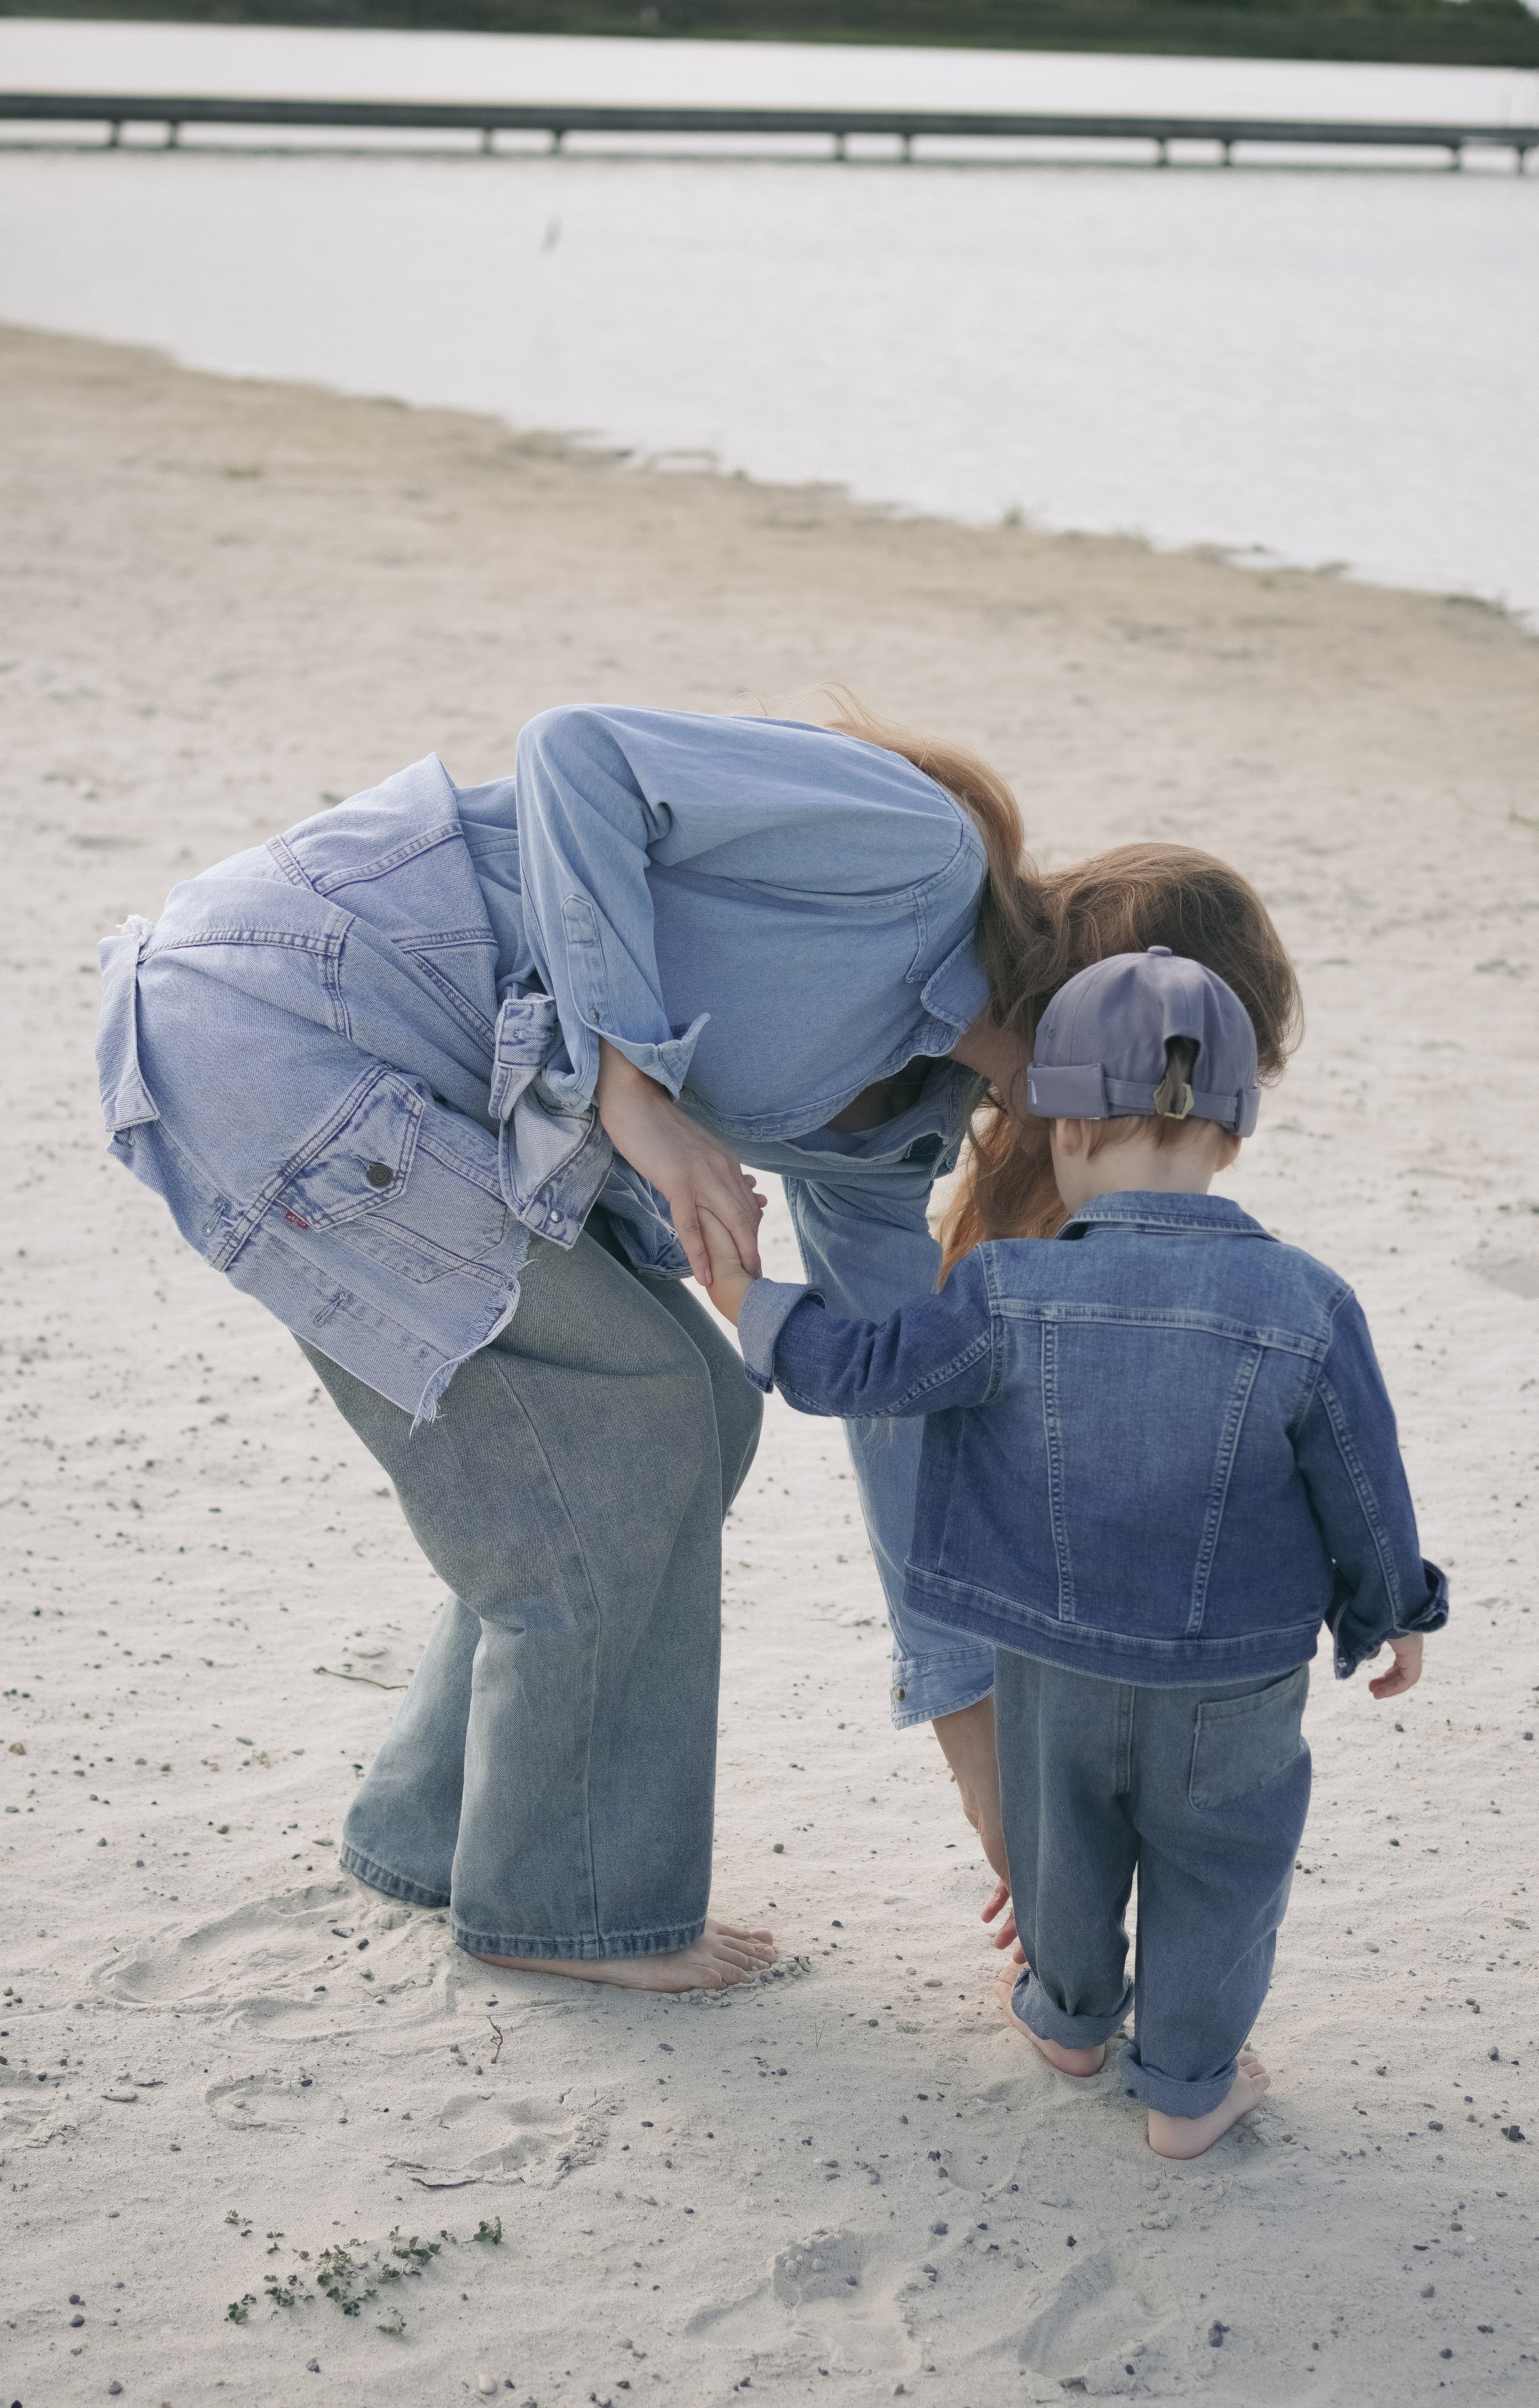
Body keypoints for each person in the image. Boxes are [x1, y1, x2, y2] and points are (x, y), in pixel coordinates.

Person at [95, 696, 1296, 1993]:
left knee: (691, 1419)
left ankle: (433, 1829)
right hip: (287, 1012)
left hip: (377, 1074)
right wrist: (633, 1084)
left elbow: (902, 1428)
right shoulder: (913, 855)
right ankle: (561, 1898)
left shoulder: (901, 1122)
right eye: (1181, 1112)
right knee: (637, 1415)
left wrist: (979, 1766)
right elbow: (576, 752)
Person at [705, 942, 1447, 2150]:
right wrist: (1393, 1611)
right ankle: (1193, 2088)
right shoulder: (1307, 1301)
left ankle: (1068, 2017)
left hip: (1050, 1652)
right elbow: (1364, 1481)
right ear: (1232, 1137)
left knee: (1061, 1841)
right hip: (1232, 1674)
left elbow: (866, 1371)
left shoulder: (1004, 1289)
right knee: (1223, 1864)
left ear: (1059, 1128)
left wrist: (753, 1299)